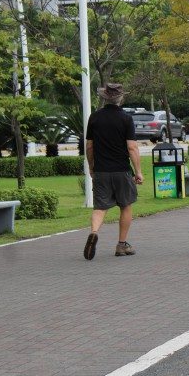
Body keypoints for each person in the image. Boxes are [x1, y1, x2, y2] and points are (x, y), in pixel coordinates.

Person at [83, 83, 144, 260]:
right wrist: (138, 171)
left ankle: (94, 233)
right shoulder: (126, 119)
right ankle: (122, 245)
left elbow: (89, 146)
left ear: (104, 97)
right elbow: (132, 147)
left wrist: (91, 166)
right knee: (125, 205)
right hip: (122, 170)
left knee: (100, 207)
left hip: (101, 170)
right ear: (121, 98)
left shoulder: (94, 118)